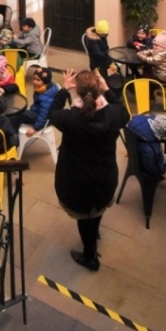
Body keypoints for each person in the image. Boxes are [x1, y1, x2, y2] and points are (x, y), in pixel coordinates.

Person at [49, 69, 129, 271]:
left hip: (77, 182)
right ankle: (93, 234)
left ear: (77, 91)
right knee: (95, 211)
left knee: (84, 218)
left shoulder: (69, 119)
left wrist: (63, 89)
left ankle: (90, 256)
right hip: (104, 178)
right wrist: (108, 89)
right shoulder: (113, 114)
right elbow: (124, 112)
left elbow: (52, 113)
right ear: (99, 88)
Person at [137, 31, 166, 113]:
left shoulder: (160, 55)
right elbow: (152, 51)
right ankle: (150, 93)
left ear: (162, 46)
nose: (154, 47)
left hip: (162, 76)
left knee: (145, 75)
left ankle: (145, 98)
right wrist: (146, 51)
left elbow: (149, 60)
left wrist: (140, 54)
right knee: (146, 69)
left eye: (157, 45)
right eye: (154, 44)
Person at [128, 113, 166, 180]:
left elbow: (149, 116)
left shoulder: (139, 120)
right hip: (145, 162)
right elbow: (150, 165)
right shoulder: (153, 149)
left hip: (137, 153)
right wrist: (162, 171)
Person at [9, 67, 59, 137]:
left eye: (38, 80)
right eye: (34, 79)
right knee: (18, 113)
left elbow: (44, 115)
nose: (35, 82)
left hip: (44, 120)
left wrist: (35, 128)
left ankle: (12, 135)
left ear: (45, 81)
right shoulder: (43, 88)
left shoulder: (46, 97)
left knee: (20, 114)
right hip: (38, 112)